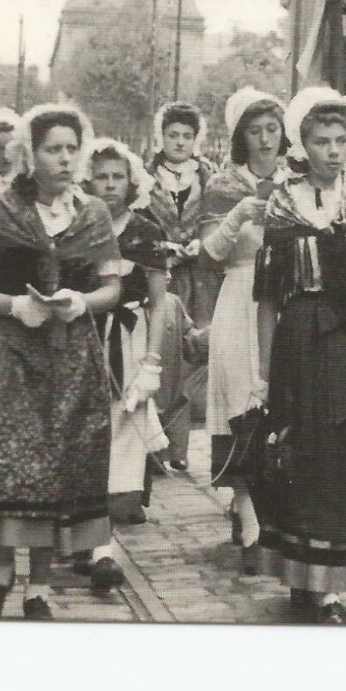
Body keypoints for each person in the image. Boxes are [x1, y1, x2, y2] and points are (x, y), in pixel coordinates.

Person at [0, 103, 124, 620]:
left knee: (57, 467)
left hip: (70, 358)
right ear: (29, 155)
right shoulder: (0, 210)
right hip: (6, 354)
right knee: (5, 465)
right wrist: (15, 305)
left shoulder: (92, 214)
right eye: (51, 149)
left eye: (69, 149)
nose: (63, 158)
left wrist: (81, 303)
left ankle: (37, 586)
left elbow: (112, 286)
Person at [250, 89, 346, 623]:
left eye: (340, 140)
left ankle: (332, 583)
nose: (332, 151)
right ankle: (302, 577)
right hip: (303, 339)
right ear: (302, 145)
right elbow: (267, 297)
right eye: (320, 141)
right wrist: (262, 375)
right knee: (304, 450)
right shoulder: (283, 201)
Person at [197, 87, 286, 554]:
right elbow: (209, 255)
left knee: (279, 395)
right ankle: (245, 503)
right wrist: (235, 218)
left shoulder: (298, 178)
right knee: (239, 393)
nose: (266, 140)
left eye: (272, 129)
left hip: (286, 296)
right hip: (240, 293)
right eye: (255, 131)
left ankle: (276, 504)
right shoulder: (223, 186)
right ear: (241, 137)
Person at [79, 137, 170, 590]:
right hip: (82, 339)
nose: (110, 185)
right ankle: (82, 535)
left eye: (118, 176)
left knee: (122, 437)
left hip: (128, 342)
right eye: (101, 176)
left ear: (131, 181)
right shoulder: (77, 226)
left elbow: (159, 304)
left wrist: (152, 362)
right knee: (82, 435)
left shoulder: (145, 231)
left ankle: (103, 547)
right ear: (87, 180)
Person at [144, 101, 216, 469]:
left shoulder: (207, 175)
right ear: (162, 137)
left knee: (192, 359)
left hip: (199, 278)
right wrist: (162, 247)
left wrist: (201, 241)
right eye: (173, 135)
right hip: (160, 276)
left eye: (187, 136)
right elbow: (140, 220)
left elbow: (215, 217)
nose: (180, 142)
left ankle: (181, 451)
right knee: (160, 356)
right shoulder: (145, 175)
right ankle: (155, 449)